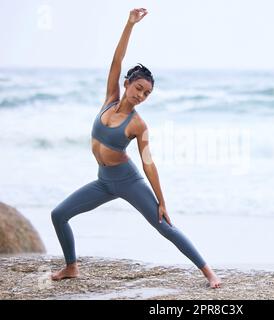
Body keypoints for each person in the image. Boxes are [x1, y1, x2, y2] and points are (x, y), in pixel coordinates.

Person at [50, 8, 221, 289]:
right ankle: (71, 266)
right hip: (104, 182)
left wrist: (162, 201)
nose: (141, 95)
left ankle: (209, 273)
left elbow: (148, 163)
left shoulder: (138, 125)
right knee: (59, 215)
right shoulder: (109, 98)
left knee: (164, 226)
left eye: (147, 93)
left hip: (128, 181)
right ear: (127, 83)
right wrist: (130, 24)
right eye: (139, 88)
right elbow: (117, 60)